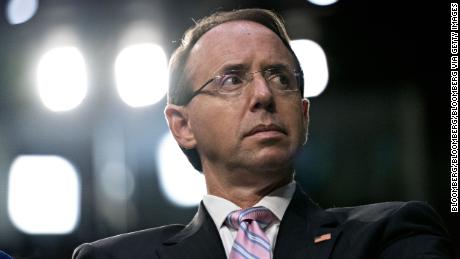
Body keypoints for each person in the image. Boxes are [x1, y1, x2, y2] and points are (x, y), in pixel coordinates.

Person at [73, 8, 454, 259]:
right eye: (232, 79)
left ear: (303, 115)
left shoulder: (389, 235)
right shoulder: (113, 257)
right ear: (182, 125)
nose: (263, 95)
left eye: (280, 77)